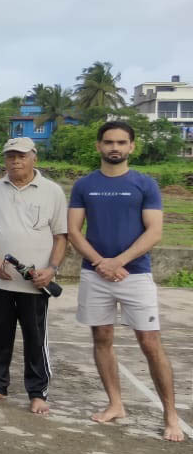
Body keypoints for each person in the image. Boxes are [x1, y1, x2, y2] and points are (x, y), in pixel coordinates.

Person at [68, 121, 184, 442]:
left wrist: (118, 262)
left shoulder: (146, 185)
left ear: (132, 146)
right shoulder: (84, 185)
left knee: (149, 343)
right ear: (98, 146)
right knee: (102, 337)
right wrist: (101, 263)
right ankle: (116, 403)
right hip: (95, 273)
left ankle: (171, 415)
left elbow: (155, 232)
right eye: (108, 142)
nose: (114, 147)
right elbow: (75, 231)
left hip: (136, 275)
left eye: (121, 142)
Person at [0, 137, 67, 415]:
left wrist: (51, 270)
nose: (15, 161)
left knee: (35, 339)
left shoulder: (52, 192)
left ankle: (37, 392)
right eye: (10, 156)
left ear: (33, 157)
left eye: (21, 156)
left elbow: (61, 236)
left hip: (35, 283)